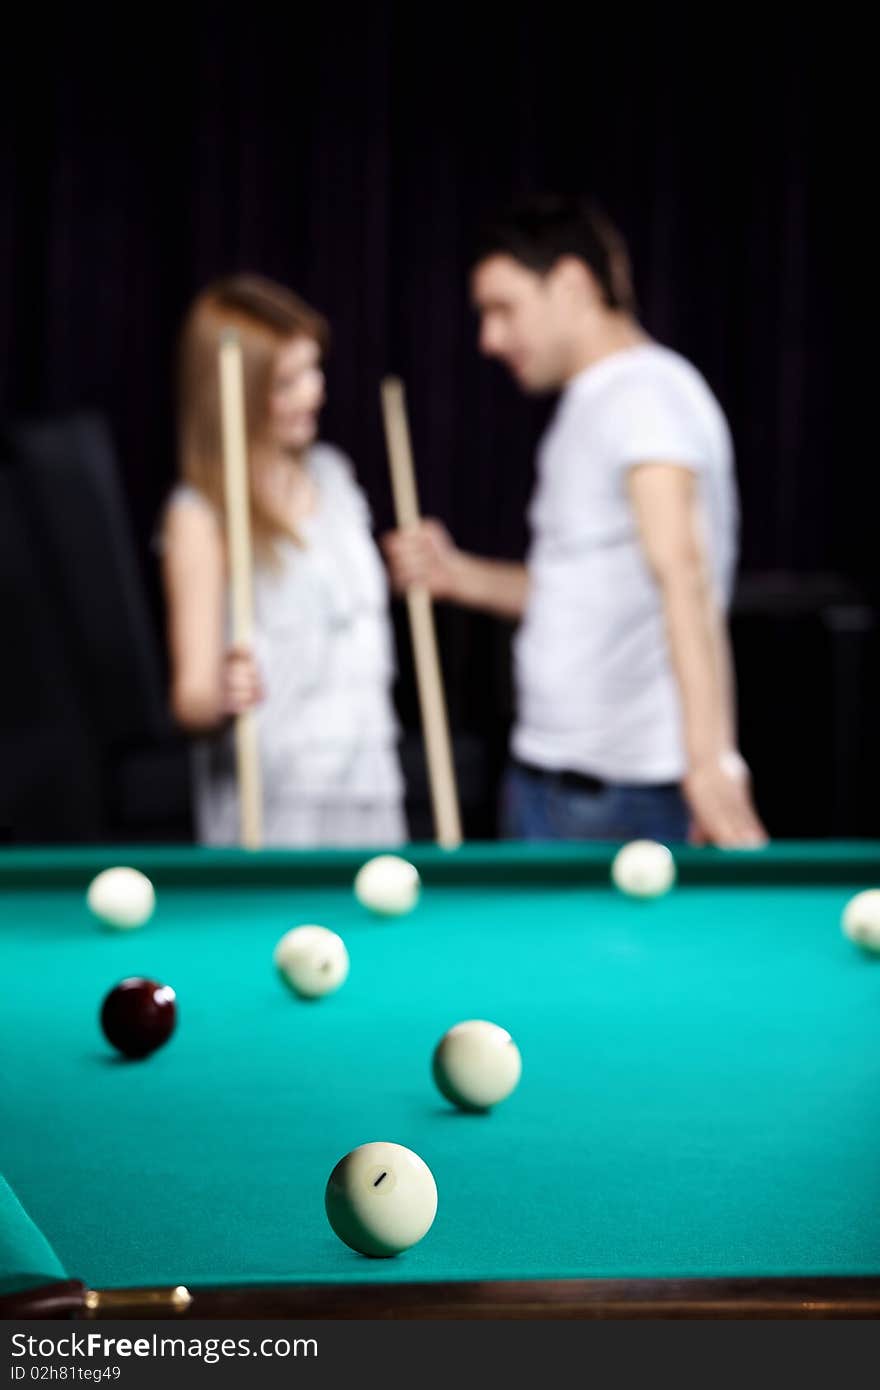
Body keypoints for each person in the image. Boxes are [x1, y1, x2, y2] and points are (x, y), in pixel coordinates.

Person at [383, 196, 767, 848]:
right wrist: (459, 576)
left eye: (504, 309)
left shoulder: (641, 394)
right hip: (560, 780)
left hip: (618, 794)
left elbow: (683, 573)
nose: (490, 339)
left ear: (572, 284)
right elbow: (583, 585)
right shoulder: (599, 403)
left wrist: (710, 761)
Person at [161, 273, 405, 847]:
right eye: (286, 382)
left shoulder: (335, 476)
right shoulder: (201, 514)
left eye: (314, 371)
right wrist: (222, 693)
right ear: (237, 393)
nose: (313, 393)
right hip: (275, 805)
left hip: (369, 784)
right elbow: (191, 698)